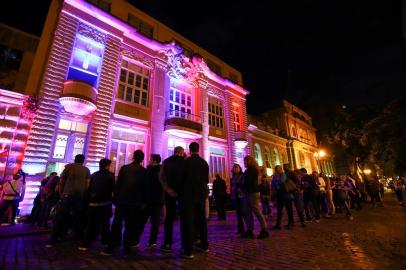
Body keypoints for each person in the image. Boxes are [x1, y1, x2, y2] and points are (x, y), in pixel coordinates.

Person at [101, 150, 146, 257]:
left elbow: (118, 185)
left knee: (116, 225)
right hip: (135, 203)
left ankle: (111, 247)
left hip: (122, 201)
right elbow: (145, 189)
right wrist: (143, 202)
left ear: (134, 157)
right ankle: (126, 250)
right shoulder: (144, 171)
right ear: (142, 159)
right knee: (130, 226)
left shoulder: (125, 168)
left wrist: (115, 199)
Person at [46, 154, 91, 247]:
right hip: (79, 196)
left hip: (67, 195)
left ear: (75, 160)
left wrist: (61, 193)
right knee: (78, 217)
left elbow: (61, 181)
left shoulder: (68, 168)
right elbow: (87, 185)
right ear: (83, 161)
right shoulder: (86, 170)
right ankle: (79, 239)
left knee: (60, 216)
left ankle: (54, 238)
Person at [179, 142, 210, 259]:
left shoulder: (185, 162)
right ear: (198, 149)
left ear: (189, 150)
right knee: (202, 221)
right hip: (201, 195)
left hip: (188, 195)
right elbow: (206, 179)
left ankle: (188, 250)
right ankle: (204, 245)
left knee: (188, 221)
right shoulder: (204, 163)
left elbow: (181, 179)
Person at [79, 158, 115, 251]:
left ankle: (85, 243)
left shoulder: (94, 175)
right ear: (107, 166)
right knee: (105, 224)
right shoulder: (111, 175)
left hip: (93, 204)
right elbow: (113, 190)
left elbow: (88, 189)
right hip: (105, 203)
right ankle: (105, 242)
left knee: (90, 225)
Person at [159, 146, 185, 253]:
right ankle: (185, 244)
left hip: (169, 193)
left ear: (174, 152)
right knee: (184, 218)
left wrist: (168, 189)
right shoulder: (185, 161)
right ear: (182, 152)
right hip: (183, 193)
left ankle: (168, 243)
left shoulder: (166, 162)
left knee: (169, 218)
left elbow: (161, 177)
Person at [136, 154, 164, 247]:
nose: (149, 161)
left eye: (150, 159)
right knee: (155, 222)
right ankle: (153, 241)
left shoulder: (148, 171)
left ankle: (136, 240)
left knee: (142, 221)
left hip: (148, 200)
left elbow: (144, 185)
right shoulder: (161, 171)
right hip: (157, 200)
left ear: (154, 161)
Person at [241, 156, 268, 239]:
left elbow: (247, 181)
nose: (245, 163)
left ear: (251, 161)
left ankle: (264, 229)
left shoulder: (252, 170)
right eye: (245, 161)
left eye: (247, 161)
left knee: (256, 211)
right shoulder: (248, 170)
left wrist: (242, 185)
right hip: (248, 192)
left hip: (252, 192)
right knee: (247, 211)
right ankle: (249, 230)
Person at [271, 165, 295, 230]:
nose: (277, 170)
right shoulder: (275, 176)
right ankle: (278, 224)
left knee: (289, 210)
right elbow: (272, 184)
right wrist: (276, 183)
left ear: (280, 169)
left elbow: (281, 182)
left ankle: (291, 223)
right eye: (276, 169)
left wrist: (276, 183)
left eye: (278, 169)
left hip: (286, 194)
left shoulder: (283, 174)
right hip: (279, 195)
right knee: (279, 210)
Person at [230, 164, 245, 234]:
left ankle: (247, 229)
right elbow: (232, 187)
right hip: (235, 196)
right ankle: (240, 229)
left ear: (240, 168)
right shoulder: (233, 177)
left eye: (237, 167)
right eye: (234, 168)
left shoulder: (242, 176)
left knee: (243, 213)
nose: (235, 169)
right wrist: (232, 196)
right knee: (238, 214)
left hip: (241, 196)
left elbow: (243, 185)